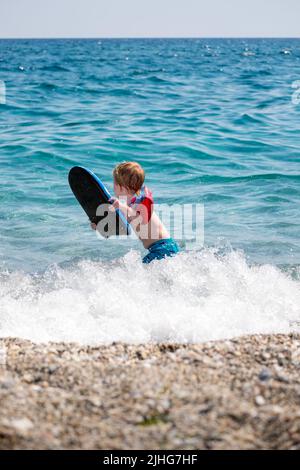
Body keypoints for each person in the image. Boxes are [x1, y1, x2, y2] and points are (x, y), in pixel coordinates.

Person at [91, 161, 179, 263]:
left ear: (122, 187)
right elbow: (118, 228)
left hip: (163, 247)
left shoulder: (139, 203)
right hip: (159, 249)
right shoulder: (126, 208)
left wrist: (121, 206)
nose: (113, 186)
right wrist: (99, 227)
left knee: (143, 272)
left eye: (114, 183)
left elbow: (140, 218)